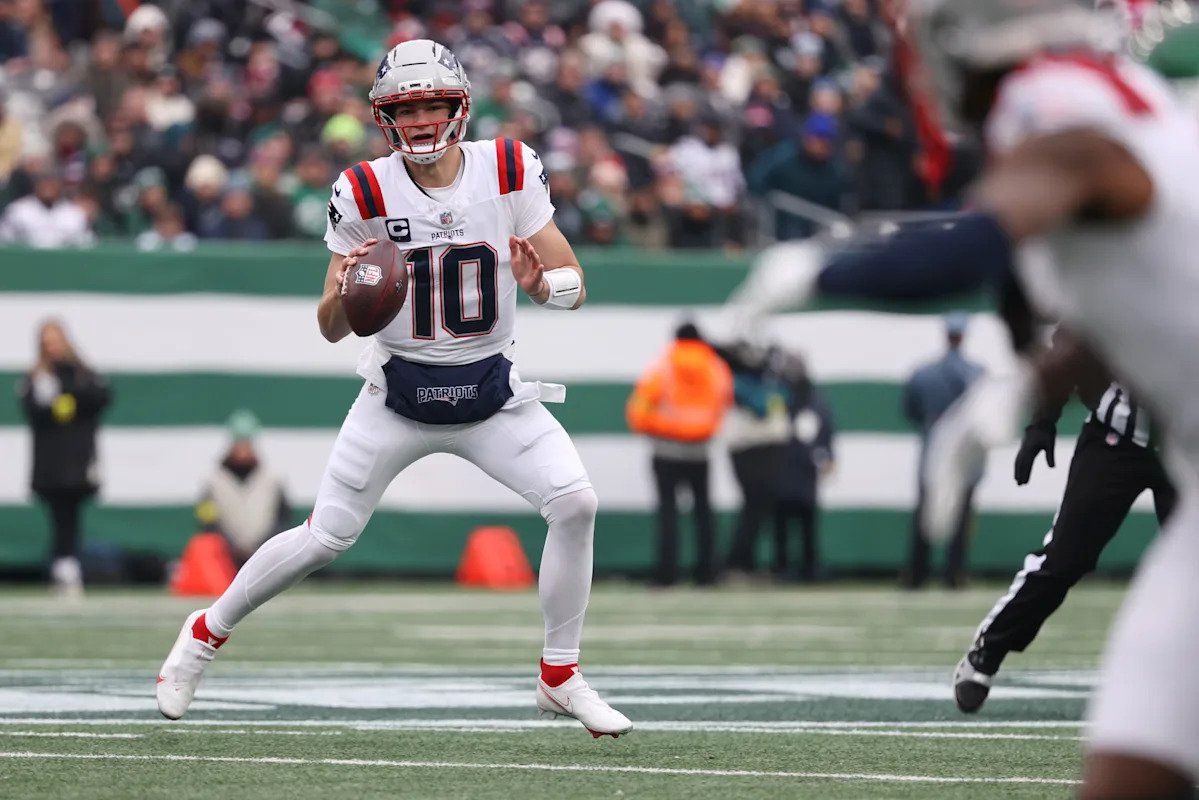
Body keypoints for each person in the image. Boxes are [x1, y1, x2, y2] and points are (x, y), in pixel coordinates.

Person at [724, 1, 1199, 794]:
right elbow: (1151, 296)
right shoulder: (1123, 100)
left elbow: (974, 246)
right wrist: (1027, 387)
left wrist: (819, 270)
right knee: (1131, 764)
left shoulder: (1055, 108)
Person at [155, 40, 632, 740]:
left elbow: (575, 286)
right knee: (325, 537)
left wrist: (540, 287)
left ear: (459, 106)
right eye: (405, 109)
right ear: (384, 117)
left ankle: (559, 676)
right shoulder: (365, 190)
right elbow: (329, 328)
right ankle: (203, 634)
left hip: (489, 391)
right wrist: (350, 291)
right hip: (399, 394)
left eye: (431, 104)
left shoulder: (506, 168)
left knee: (576, 502)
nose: (419, 120)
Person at [954, 328, 1176, 712]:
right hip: (1116, 440)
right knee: (1064, 558)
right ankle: (989, 649)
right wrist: (1043, 420)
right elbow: (1071, 341)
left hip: (1188, 446)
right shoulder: (1120, 292)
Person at [626, 321, 733, 587]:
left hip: (666, 450)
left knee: (668, 514)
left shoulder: (662, 366)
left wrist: (656, 428)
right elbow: (725, 403)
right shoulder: (716, 367)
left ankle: (667, 575)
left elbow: (639, 410)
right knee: (704, 513)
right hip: (700, 450)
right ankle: (707, 574)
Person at [18, 320, 111, 597]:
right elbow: (32, 408)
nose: (52, 348)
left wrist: (71, 396)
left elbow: (102, 397)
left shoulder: (83, 374)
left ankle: (67, 564)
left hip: (78, 458)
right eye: (46, 343)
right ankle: (64, 565)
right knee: (59, 514)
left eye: (55, 341)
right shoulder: (37, 378)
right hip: (51, 461)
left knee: (71, 514)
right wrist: (51, 404)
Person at [900, 313, 984, 589]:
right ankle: (954, 574)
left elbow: (910, 410)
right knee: (962, 515)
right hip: (965, 454)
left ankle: (917, 574)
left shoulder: (923, 373)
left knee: (926, 512)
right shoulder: (977, 374)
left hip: (933, 448)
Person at [717, 341, 794, 580]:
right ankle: (736, 563)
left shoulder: (767, 382)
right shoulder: (739, 382)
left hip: (767, 450)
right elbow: (762, 407)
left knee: (759, 508)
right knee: (753, 507)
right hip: (750, 451)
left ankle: (745, 562)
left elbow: (784, 400)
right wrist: (773, 390)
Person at [194, 410, 291, 567]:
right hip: (226, 561)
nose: (243, 450)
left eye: (247, 444)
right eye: (239, 443)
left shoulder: (273, 479)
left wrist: (264, 546)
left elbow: (283, 518)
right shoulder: (212, 482)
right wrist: (230, 547)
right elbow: (208, 521)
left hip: (265, 558)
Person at [772, 351, 836, 583]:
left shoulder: (813, 397)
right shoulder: (778, 394)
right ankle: (783, 567)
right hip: (782, 465)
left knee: (806, 521)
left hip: (803, 466)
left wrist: (828, 457)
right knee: (783, 521)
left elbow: (825, 428)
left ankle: (809, 567)